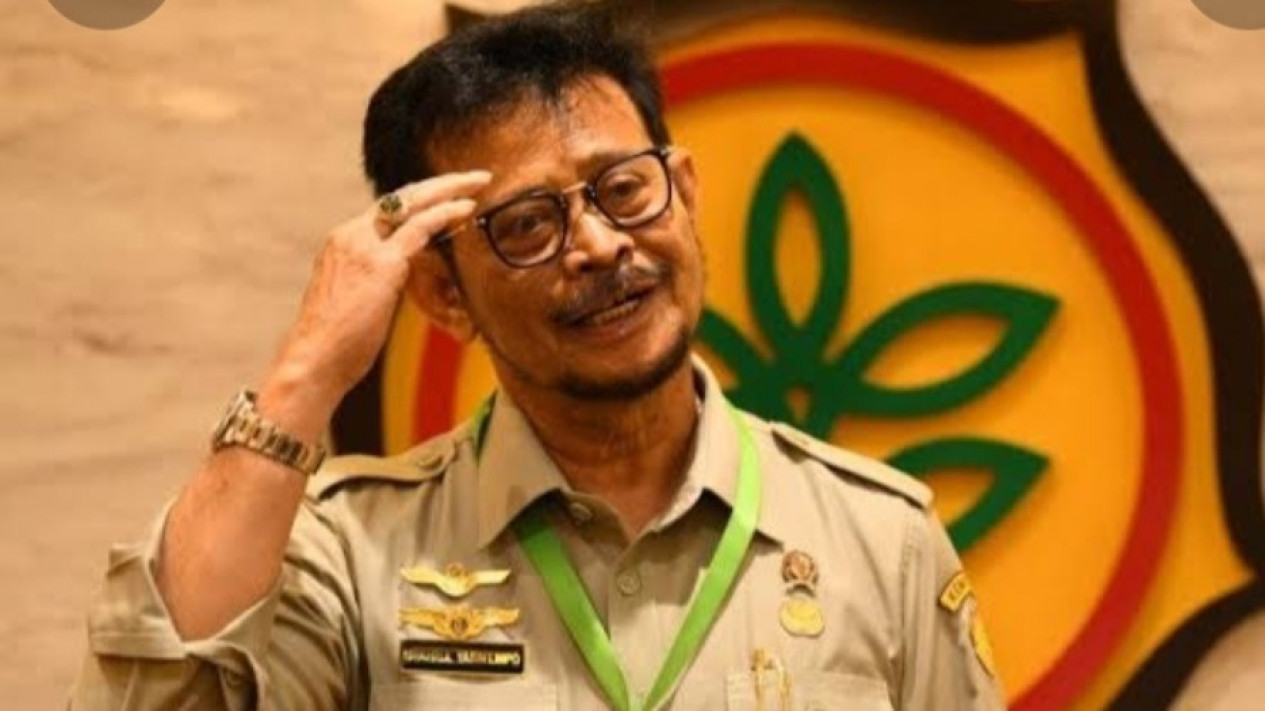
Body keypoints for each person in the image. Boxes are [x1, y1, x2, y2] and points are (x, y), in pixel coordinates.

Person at [70, 2, 1006, 709]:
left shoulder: (878, 540)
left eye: (623, 188)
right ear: (443, 291)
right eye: (526, 223)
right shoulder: (351, 552)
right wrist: (304, 372)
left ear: (683, 191)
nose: (597, 244)